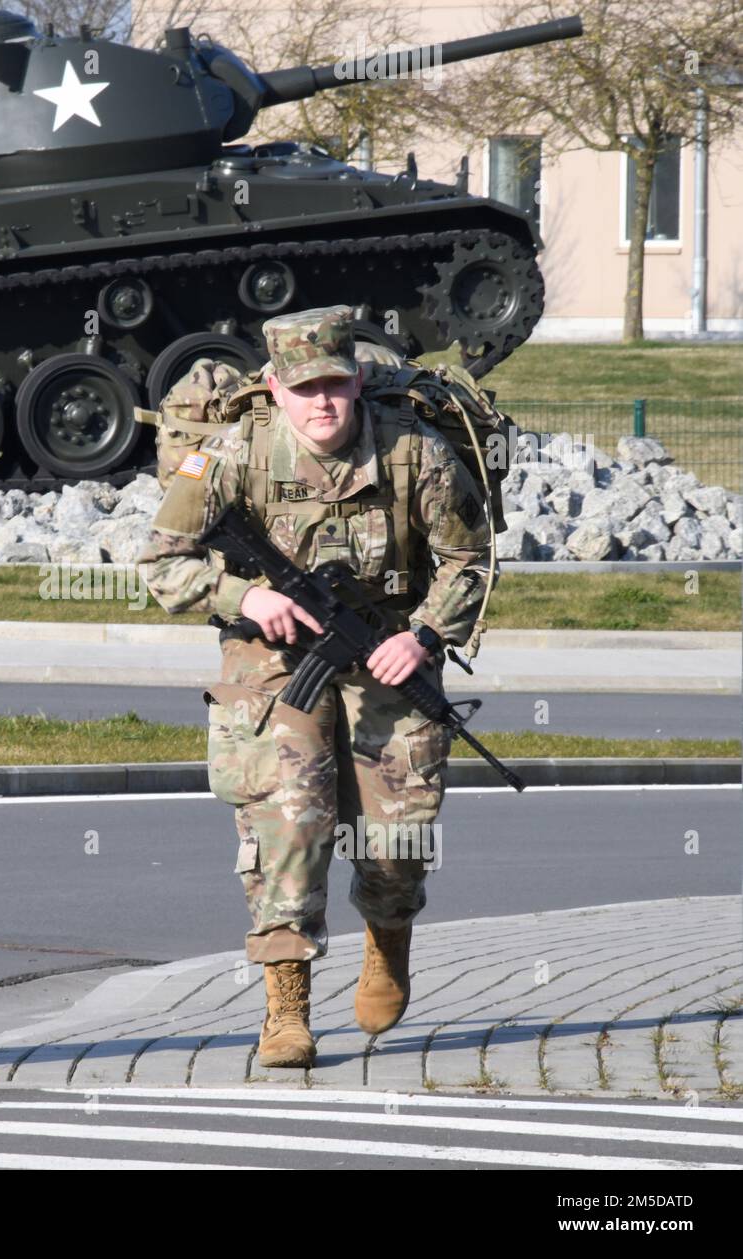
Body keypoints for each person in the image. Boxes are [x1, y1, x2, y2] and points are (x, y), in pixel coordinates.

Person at [136, 305, 494, 1068]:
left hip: (388, 645)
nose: (322, 402)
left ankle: (387, 938)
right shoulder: (234, 453)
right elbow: (162, 562)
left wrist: (425, 635)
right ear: (275, 387)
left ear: (358, 379)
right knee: (289, 819)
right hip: (270, 653)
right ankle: (286, 1006)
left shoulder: (414, 453)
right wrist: (245, 597)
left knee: (397, 839)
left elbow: (471, 561)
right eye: (304, 389)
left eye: (334, 384)